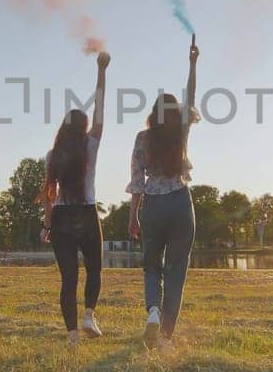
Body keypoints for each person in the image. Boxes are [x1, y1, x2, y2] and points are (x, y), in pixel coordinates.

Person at [127, 35, 198, 347]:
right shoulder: (180, 132)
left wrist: (133, 217)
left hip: (153, 207)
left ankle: (153, 311)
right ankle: (167, 334)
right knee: (176, 270)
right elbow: (192, 96)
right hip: (180, 203)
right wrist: (193, 63)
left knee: (151, 266)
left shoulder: (142, 138)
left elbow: (136, 182)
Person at [41, 52, 111, 345]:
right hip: (85, 213)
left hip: (61, 217)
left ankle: (72, 335)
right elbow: (100, 107)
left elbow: (49, 194)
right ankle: (88, 316)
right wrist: (101, 70)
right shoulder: (90, 146)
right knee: (94, 269)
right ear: (83, 128)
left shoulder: (52, 155)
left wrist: (47, 224)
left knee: (68, 278)